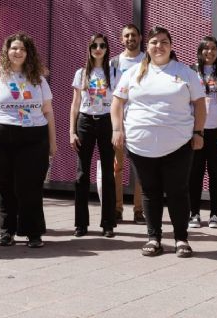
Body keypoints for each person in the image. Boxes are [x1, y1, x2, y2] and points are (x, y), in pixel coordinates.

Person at [111, 26, 206, 257]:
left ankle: (181, 239)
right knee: (150, 192)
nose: (159, 46)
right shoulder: (132, 73)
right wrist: (117, 129)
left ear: (171, 46)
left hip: (179, 144)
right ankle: (154, 238)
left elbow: (200, 104)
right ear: (148, 46)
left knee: (177, 191)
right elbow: (117, 103)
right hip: (140, 146)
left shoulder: (185, 72)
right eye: (154, 42)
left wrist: (198, 132)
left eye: (164, 42)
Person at [0, 33, 56, 248]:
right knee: (4, 185)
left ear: (29, 53)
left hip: (34, 139)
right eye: (14, 48)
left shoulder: (38, 78)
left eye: (22, 49)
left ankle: (33, 232)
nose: (18, 52)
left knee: (31, 185)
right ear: (6, 51)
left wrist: (53, 142)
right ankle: (6, 232)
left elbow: (48, 111)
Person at [69, 34, 117, 238]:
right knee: (82, 174)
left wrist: (118, 129)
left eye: (102, 45)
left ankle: (108, 223)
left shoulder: (114, 72)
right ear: (89, 49)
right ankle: (81, 224)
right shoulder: (81, 73)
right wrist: (72, 131)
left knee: (108, 174)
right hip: (85, 122)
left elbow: (119, 103)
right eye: (94, 45)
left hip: (107, 121)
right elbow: (75, 104)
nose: (98, 49)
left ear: (107, 49)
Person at [188, 36, 217, 229]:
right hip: (197, 130)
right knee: (194, 173)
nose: (209, 52)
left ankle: (215, 214)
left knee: (216, 173)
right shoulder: (191, 71)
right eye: (206, 48)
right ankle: (194, 213)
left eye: (213, 48)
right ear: (200, 51)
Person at [110, 24, 145, 224]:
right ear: (121, 39)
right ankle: (117, 209)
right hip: (119, 122)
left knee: (140, 168)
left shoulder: (147, 60)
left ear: (140, 38)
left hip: (140, 121)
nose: (130, 38)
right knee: (117, 167)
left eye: (133, 35)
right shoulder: (113, 63)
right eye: (126, 35)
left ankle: (139, 210)